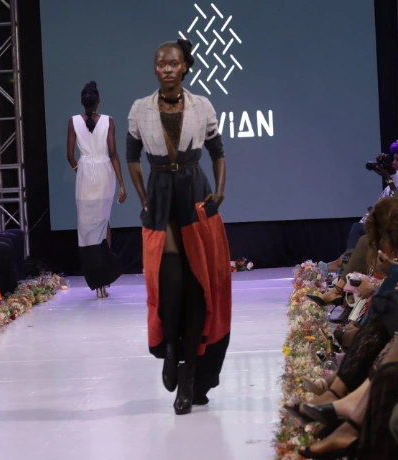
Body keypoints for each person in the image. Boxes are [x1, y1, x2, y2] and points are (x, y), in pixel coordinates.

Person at [125, 38, 232, 415]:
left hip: (194, 197)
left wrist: (220, 191)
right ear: (155, 68)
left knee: (198, 290)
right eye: (160, 64)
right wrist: (143, 199)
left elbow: (218, 153)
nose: (167, 69)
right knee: (169, 285)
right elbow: (131, 157)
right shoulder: (140, 108)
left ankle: (187, 379)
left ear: (185, 66)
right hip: (161, 200)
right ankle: (170, 348)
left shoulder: (202, 105)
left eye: (173, 63)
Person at [66, 81, 126, 298]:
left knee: (87, 226)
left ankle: (97, 279)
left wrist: (80, 170)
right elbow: (113, 153)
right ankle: (104, 280)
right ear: (98, 101)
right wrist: (121, 183)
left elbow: (70, 156)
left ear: (82, 102)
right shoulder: (109, 121)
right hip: (104, 174)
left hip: (85, 174)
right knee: (103, 222)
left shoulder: (73, 121)